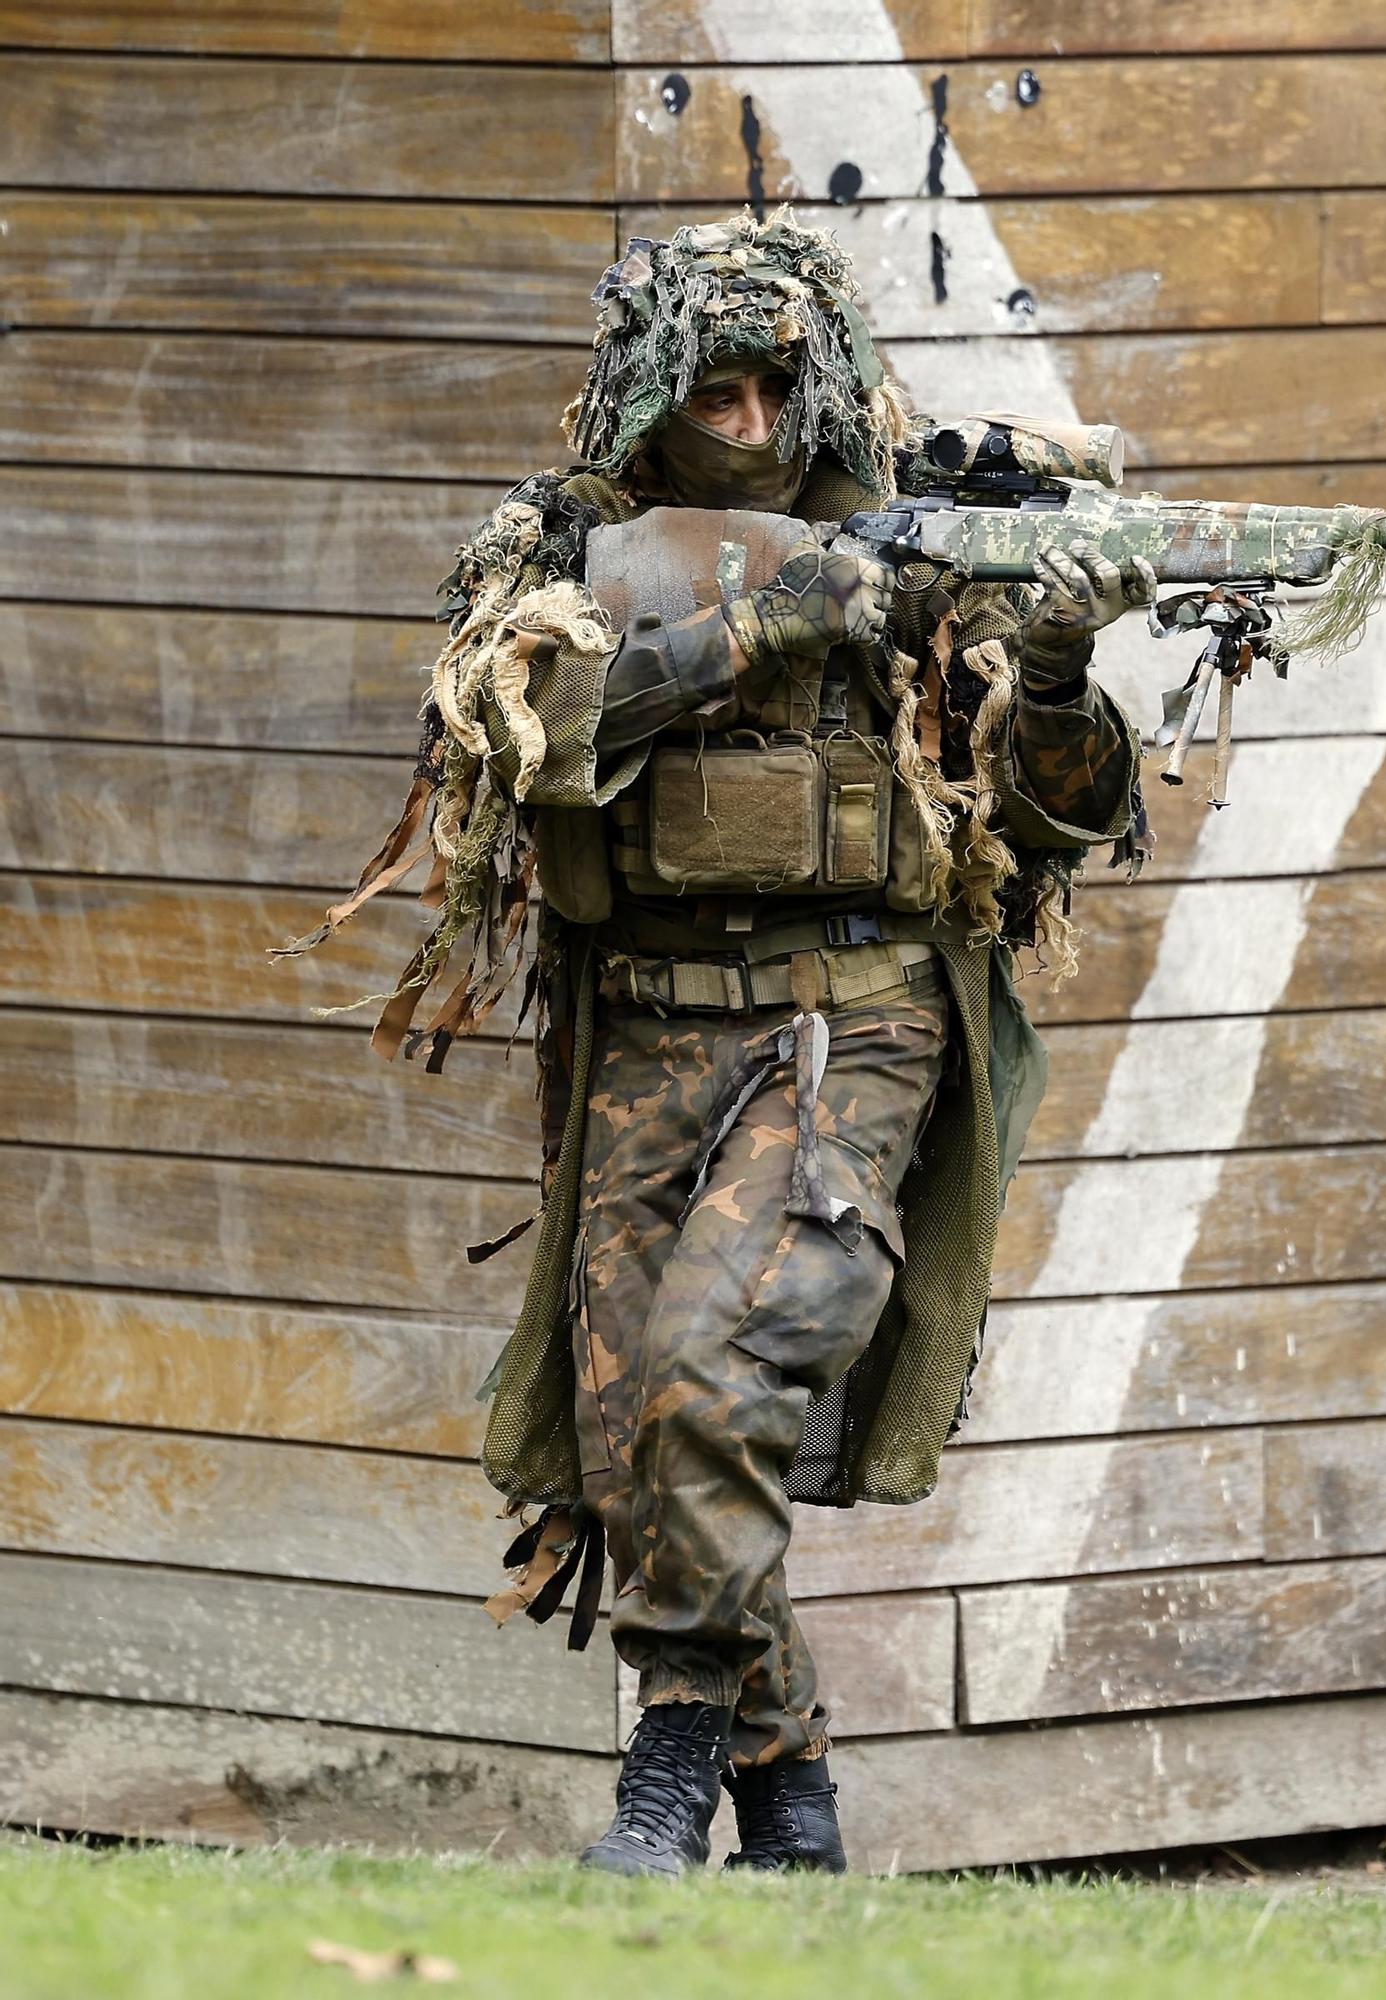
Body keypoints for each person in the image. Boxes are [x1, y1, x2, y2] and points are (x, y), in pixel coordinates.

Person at [296, 209, 1149, 1877]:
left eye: (774, 390)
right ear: (646, 395)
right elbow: (501, 735)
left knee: (715, 1375)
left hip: (856, 1023)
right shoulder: (564, 539)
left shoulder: (923, 540)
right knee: (636, 1448)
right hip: (645, 1030)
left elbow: (1059, 819)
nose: (748, 425)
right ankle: (798, 1804)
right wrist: (761, 629)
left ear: (814, 383)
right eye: (713, 395)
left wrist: (1051, 672)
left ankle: (668, 1764)